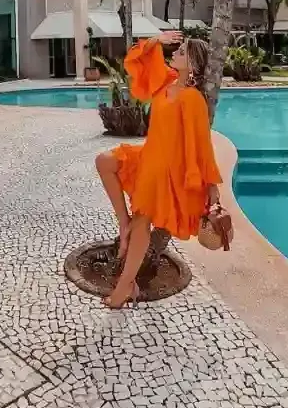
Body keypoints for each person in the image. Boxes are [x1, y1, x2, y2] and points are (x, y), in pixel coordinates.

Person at [95, 31, 223, 308]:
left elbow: (202, 145)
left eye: (182, 51)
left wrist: (212, 188)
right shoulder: (166, 83)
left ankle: (124, 288)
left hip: (166, 170)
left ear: (193, 63)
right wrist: (156, 40)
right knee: (104, 162)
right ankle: (123, 222)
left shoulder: (192, 99)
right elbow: (140, 60)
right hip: (149, 157)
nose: (175, 52)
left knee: (143, 221)